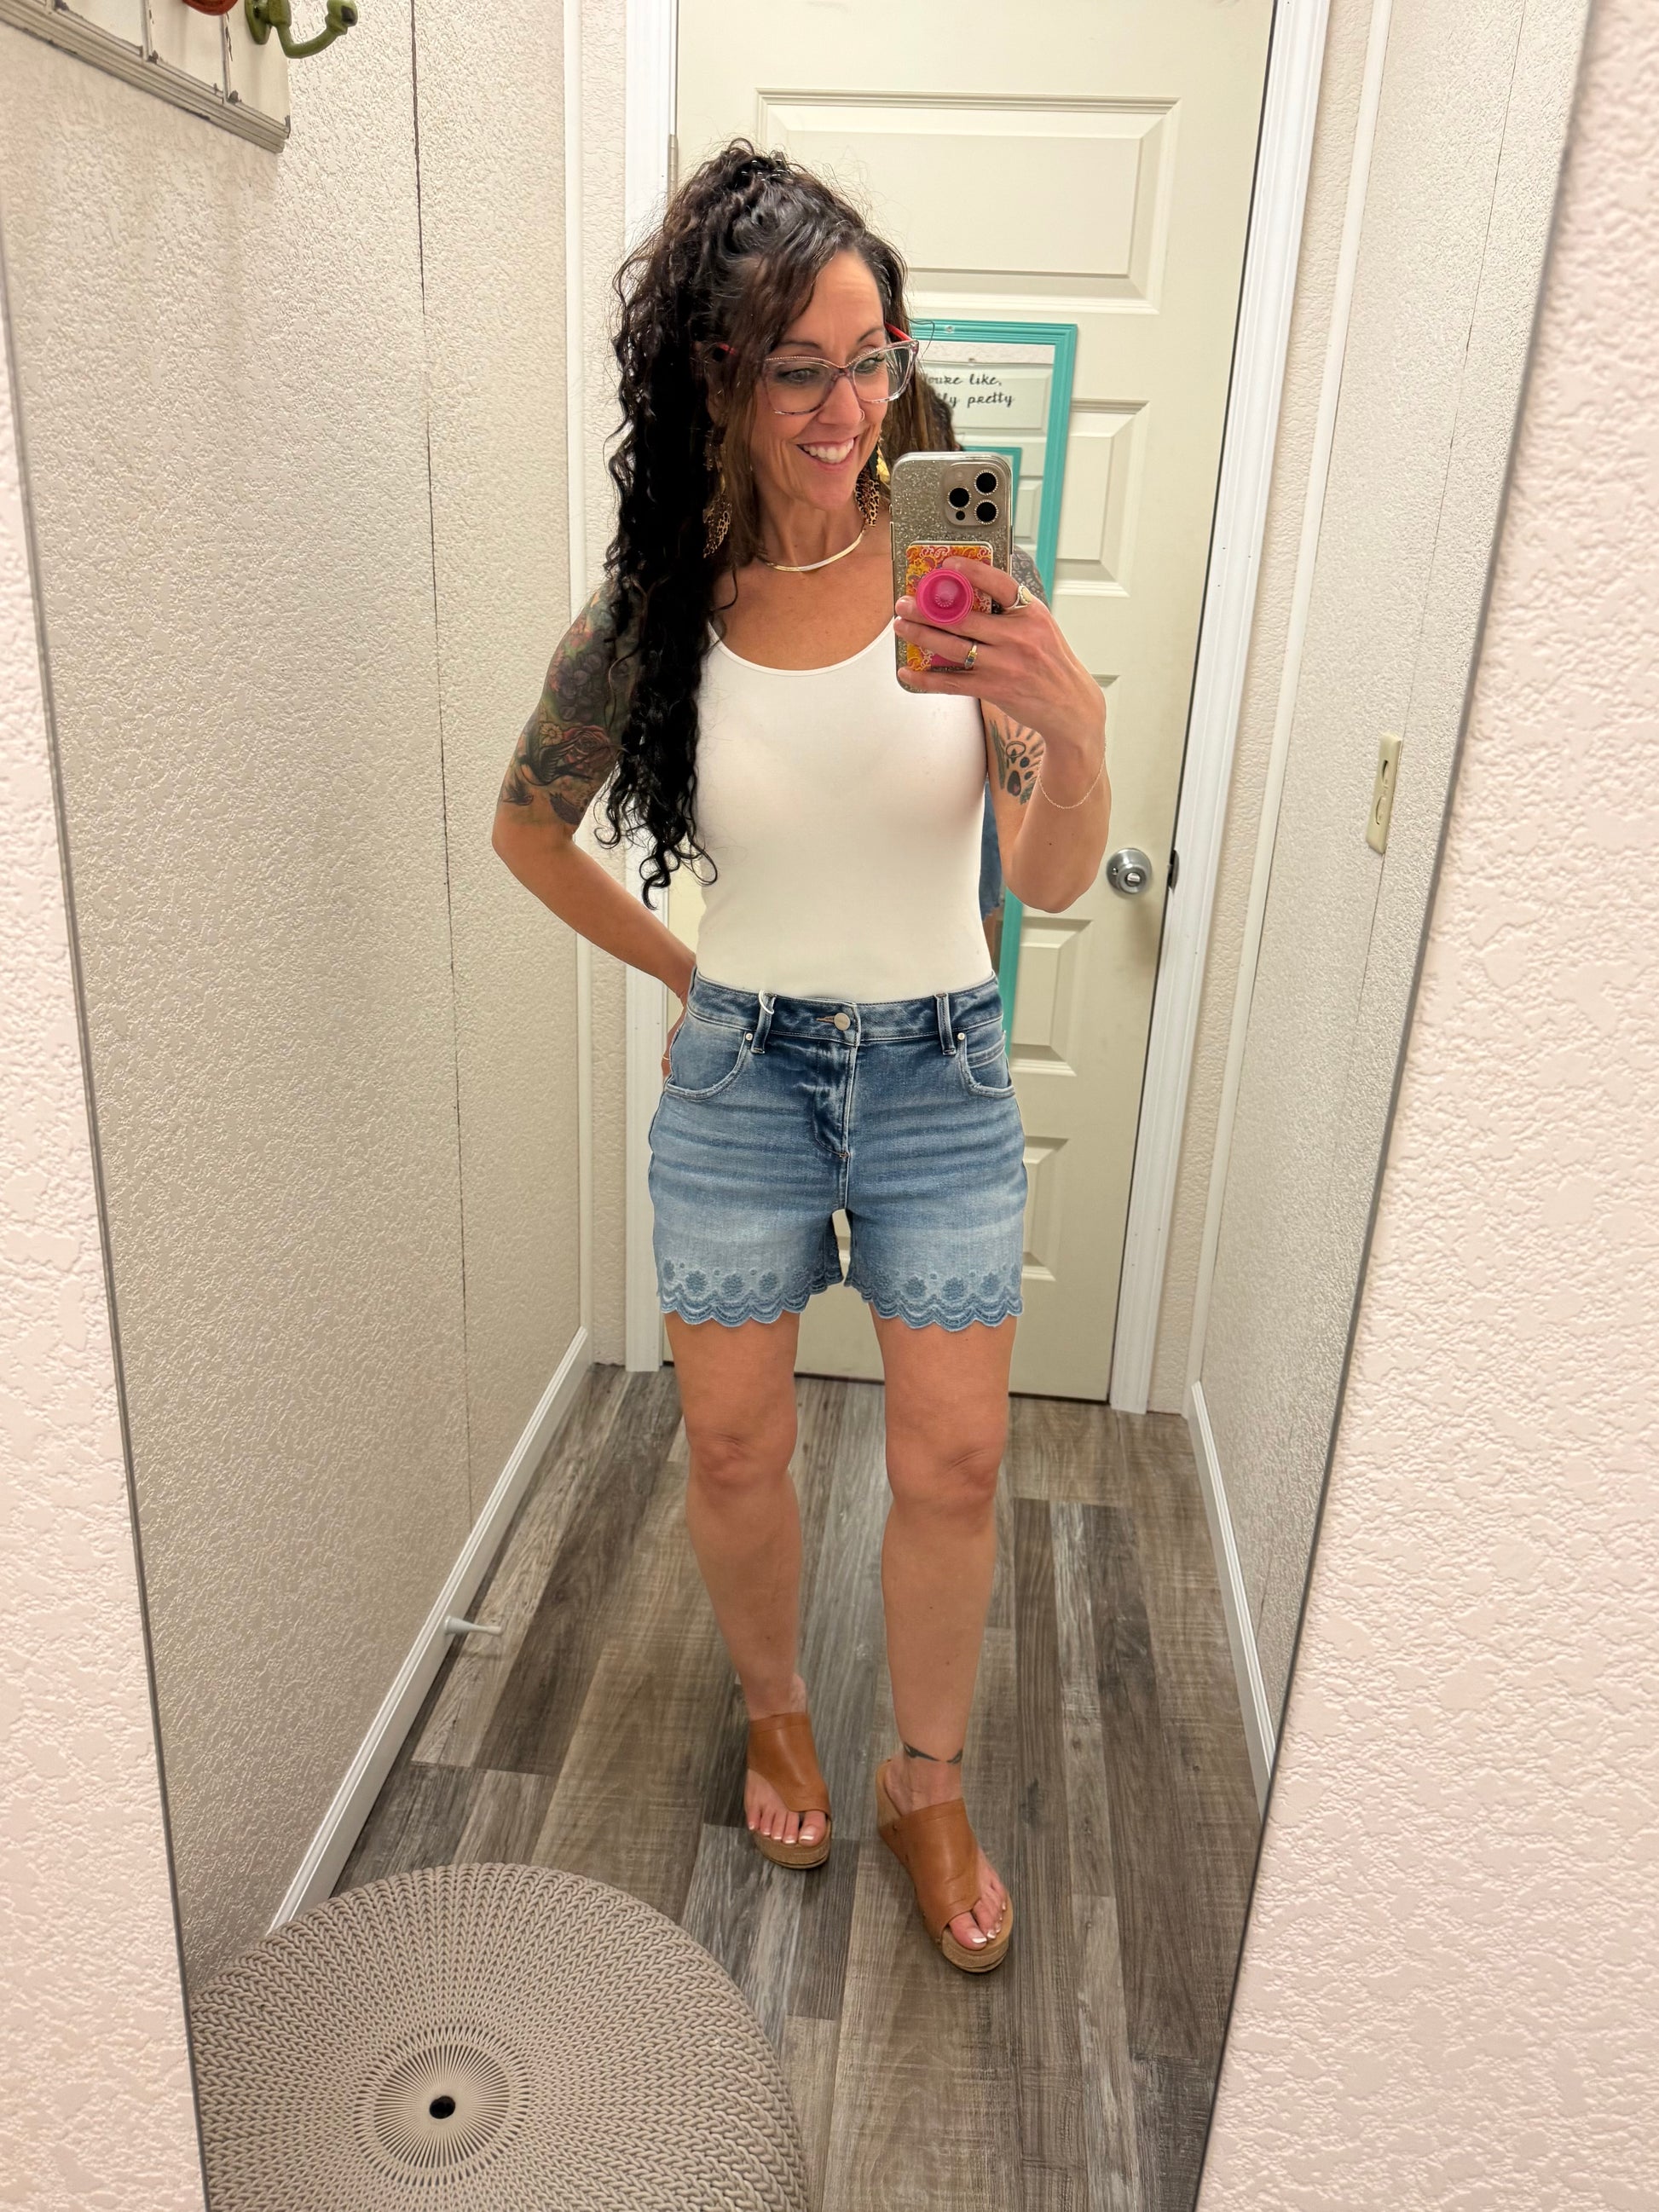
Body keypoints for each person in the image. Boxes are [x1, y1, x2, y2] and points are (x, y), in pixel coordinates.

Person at [492, 145, 1109, 1974]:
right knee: (737, 1443)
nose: (849, 408)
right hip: (743, 1081)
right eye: (802, 369)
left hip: (941, 1076)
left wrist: (1071, 732)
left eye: (873, 357)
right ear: (720, 374)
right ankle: (776, 1712)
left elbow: (1045, 879)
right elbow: (525, 829)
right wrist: (696, 976)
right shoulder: (659, 611)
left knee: (957, 1461)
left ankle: (927, 1777)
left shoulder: (961, 583)